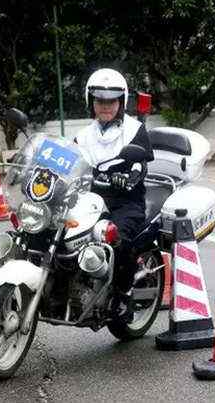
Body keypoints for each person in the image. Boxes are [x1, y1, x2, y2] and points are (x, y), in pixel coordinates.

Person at [74, 68, 154, 322]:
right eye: (100, 100)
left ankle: (123, 295)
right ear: (91, 102)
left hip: (125, 202)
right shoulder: (84, 135)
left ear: (121, 102)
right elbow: (69, 162)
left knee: (117, 239)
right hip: (90, 201)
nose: (105, 106)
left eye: (111, 101)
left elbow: (141, 163)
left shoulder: (134, 129)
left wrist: (130, 176)